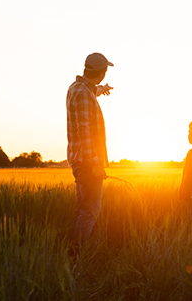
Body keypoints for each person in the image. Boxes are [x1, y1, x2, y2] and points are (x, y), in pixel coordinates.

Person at [66, 52, 114, 246]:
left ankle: (73, 254)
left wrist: (102, 90)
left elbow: (88, 93)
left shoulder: (77, 88)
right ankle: (79, 255)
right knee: (91, 211)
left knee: (82, 209)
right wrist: (95, 163)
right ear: (102, 73)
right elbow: (84, 131)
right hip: (87, 162)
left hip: (80, 160)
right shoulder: (84, 94)